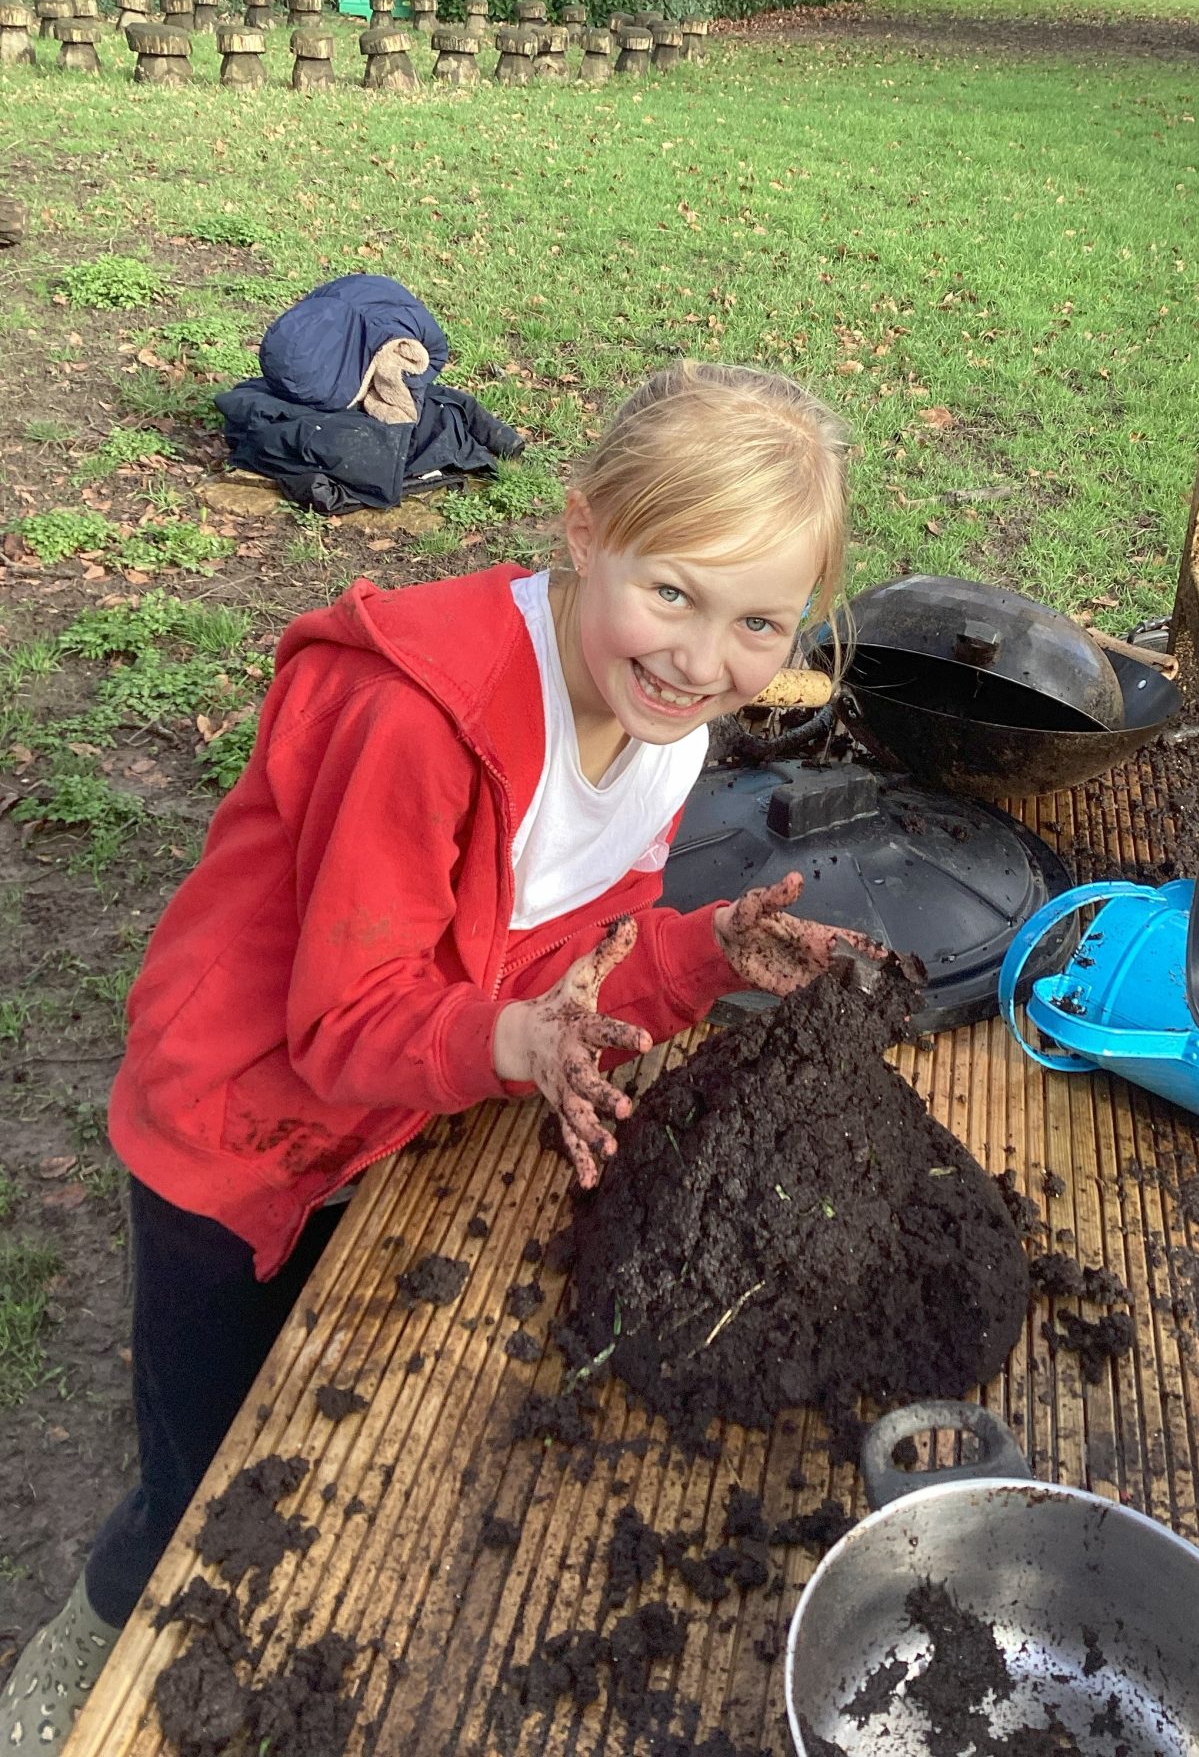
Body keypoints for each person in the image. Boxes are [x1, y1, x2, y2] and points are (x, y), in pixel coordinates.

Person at [0, 358, 883, 1753]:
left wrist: (702, 953)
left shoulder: (665, 727)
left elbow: (569, 965)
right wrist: (509, 1040)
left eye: (758, 623)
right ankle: (90, 1655)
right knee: (204, 1458)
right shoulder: (423, 721)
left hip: (392, 1110)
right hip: (235, 1131)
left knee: (308, 1413)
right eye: (673, 592)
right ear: (585, 527)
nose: (705, 660)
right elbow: (343, 1020)